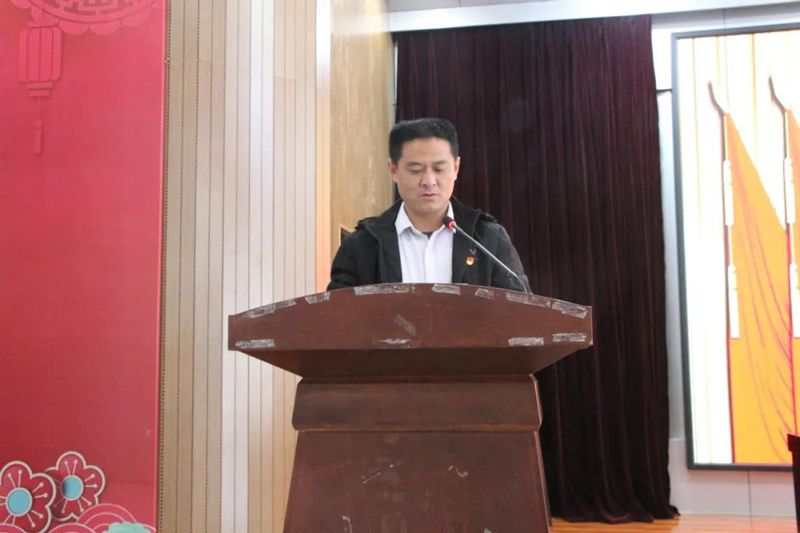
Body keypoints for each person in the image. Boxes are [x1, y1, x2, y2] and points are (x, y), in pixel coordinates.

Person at [327, 117, 530, 293]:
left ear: (456, 168)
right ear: (393, 170)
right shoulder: (361, 246)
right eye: (416, 170)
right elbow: (337, 317)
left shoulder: (488, 240)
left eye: (439, 169)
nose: (429, 181)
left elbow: (521, 312)